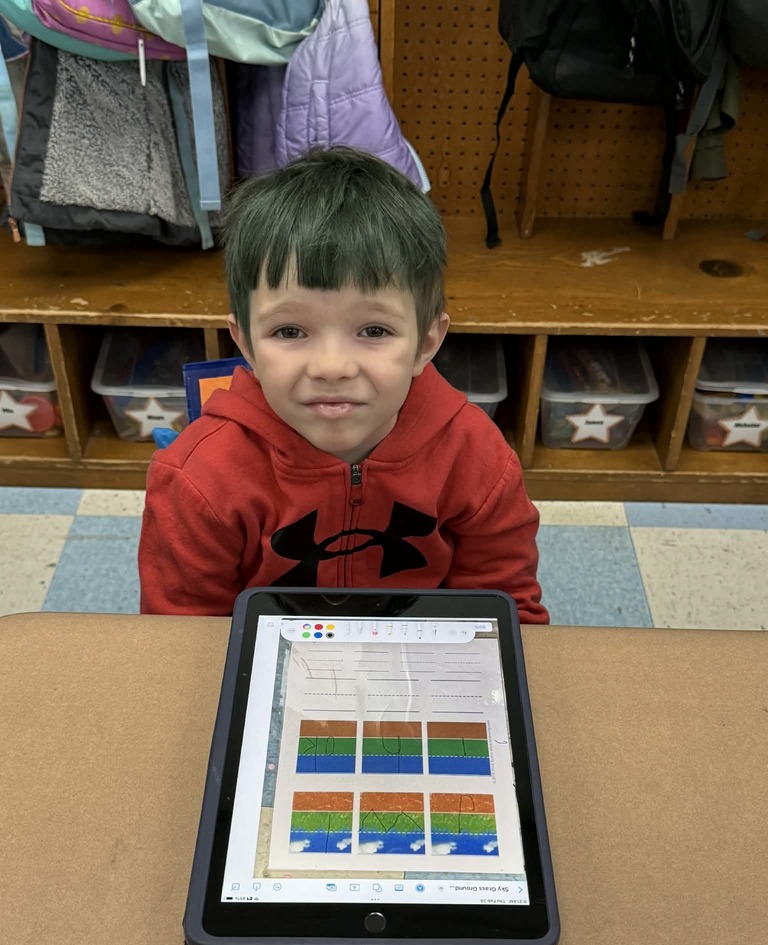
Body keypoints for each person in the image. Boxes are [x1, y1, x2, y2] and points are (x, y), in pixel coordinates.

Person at [138, 146, 548, 623]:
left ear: (426, 342)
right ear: (245, 342)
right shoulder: (196, 479)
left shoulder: (477, 457)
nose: (331, 367)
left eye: (374, 331)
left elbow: (504, 612)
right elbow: (179, 638)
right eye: (289, 332)